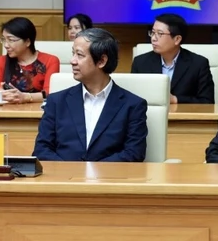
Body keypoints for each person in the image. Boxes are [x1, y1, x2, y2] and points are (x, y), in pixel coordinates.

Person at [33, 28, 148, 162]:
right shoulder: (56, 101)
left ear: (101, 61)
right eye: (73, 53)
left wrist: (92, 171)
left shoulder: (133, 105)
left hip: (109, 174)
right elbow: (41, 149)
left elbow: (134, 153)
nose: (72, 61)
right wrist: (70, 171)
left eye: (79, 55)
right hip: (62, 174)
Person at [130, 13, 214, 104]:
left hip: (184, 113)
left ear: (177, 39)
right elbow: (132, 99)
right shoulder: (140, 63)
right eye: (153, 33)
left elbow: (207, 102)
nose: (153, 38)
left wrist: (175, 99)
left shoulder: (198, 64)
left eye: (160, 34)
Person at [0, 17, 60, 103]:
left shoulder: (50, 61)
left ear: (27, 42)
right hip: (7, 109)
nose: (6, 45)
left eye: (11, 40)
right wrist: (0, 94)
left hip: (39, 109)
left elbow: (50, 93)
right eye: (4, 40)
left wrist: (25, 97)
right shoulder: (1, 61)